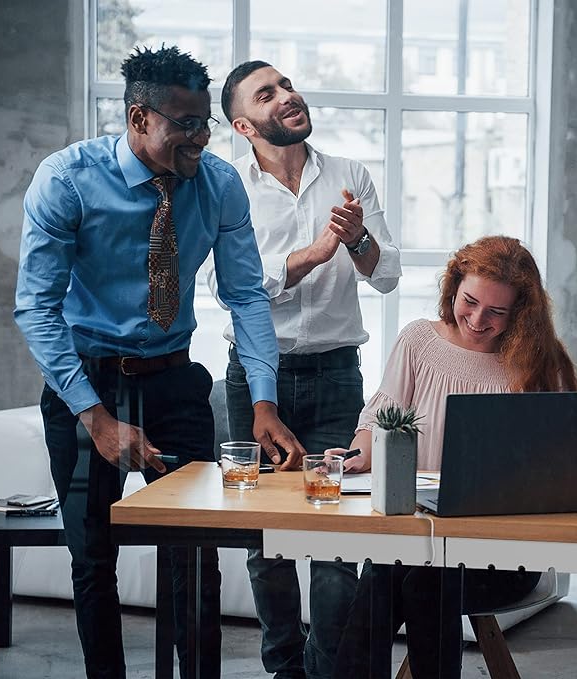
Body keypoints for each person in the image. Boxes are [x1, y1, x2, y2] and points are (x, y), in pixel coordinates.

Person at [14, 45, 304, 679]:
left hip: (173, 380)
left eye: (206, 122)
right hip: (85, 384)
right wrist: (95, 418)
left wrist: (263, 402)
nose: (201, 138)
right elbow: (36, 309)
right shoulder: (65, 180)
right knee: (91, 559)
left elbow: (246, 296)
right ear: (139, 117)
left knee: (195, 555)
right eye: (184, 124)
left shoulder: (219, 185)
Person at [207, 61, 402, 679]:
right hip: (255, 381)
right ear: (244, 124)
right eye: (268, 94)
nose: (287, 96)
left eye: (286, 85)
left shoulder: (350, 175)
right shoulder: (226, 185)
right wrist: (317, 252)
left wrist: (357, 241)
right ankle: (283, 670)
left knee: (339, 537)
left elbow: (388, 273)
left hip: (339, 375)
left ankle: (326, 673)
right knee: (265, 543)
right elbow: (228, 287)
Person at [330, 235, 577, 679]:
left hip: (505, 554)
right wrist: (357, 455)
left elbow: (562, 463)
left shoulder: (540, 365)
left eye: (497, 312)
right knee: (394, 572)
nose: (478, 320)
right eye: (470, 302)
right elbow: (378, 418)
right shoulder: (418, 343)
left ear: (521, 313)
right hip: (419, 539)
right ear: (453, 288)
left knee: (423, 578)